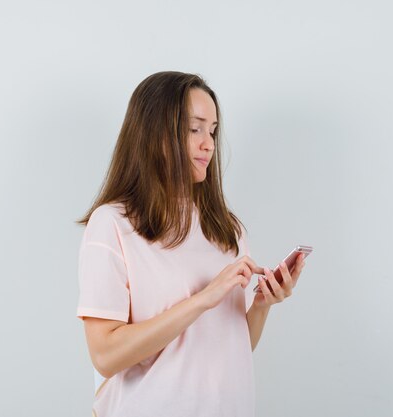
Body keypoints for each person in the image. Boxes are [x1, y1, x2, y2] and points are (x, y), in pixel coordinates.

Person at [75, 71, 306, 417]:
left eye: (212, 131)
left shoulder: (227, 229)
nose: (209, 144)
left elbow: (233, 348)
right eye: (194, 129)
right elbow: (105, 357)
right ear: (155, 133)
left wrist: (261, 304)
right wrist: (202, 300)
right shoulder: (112, 224)